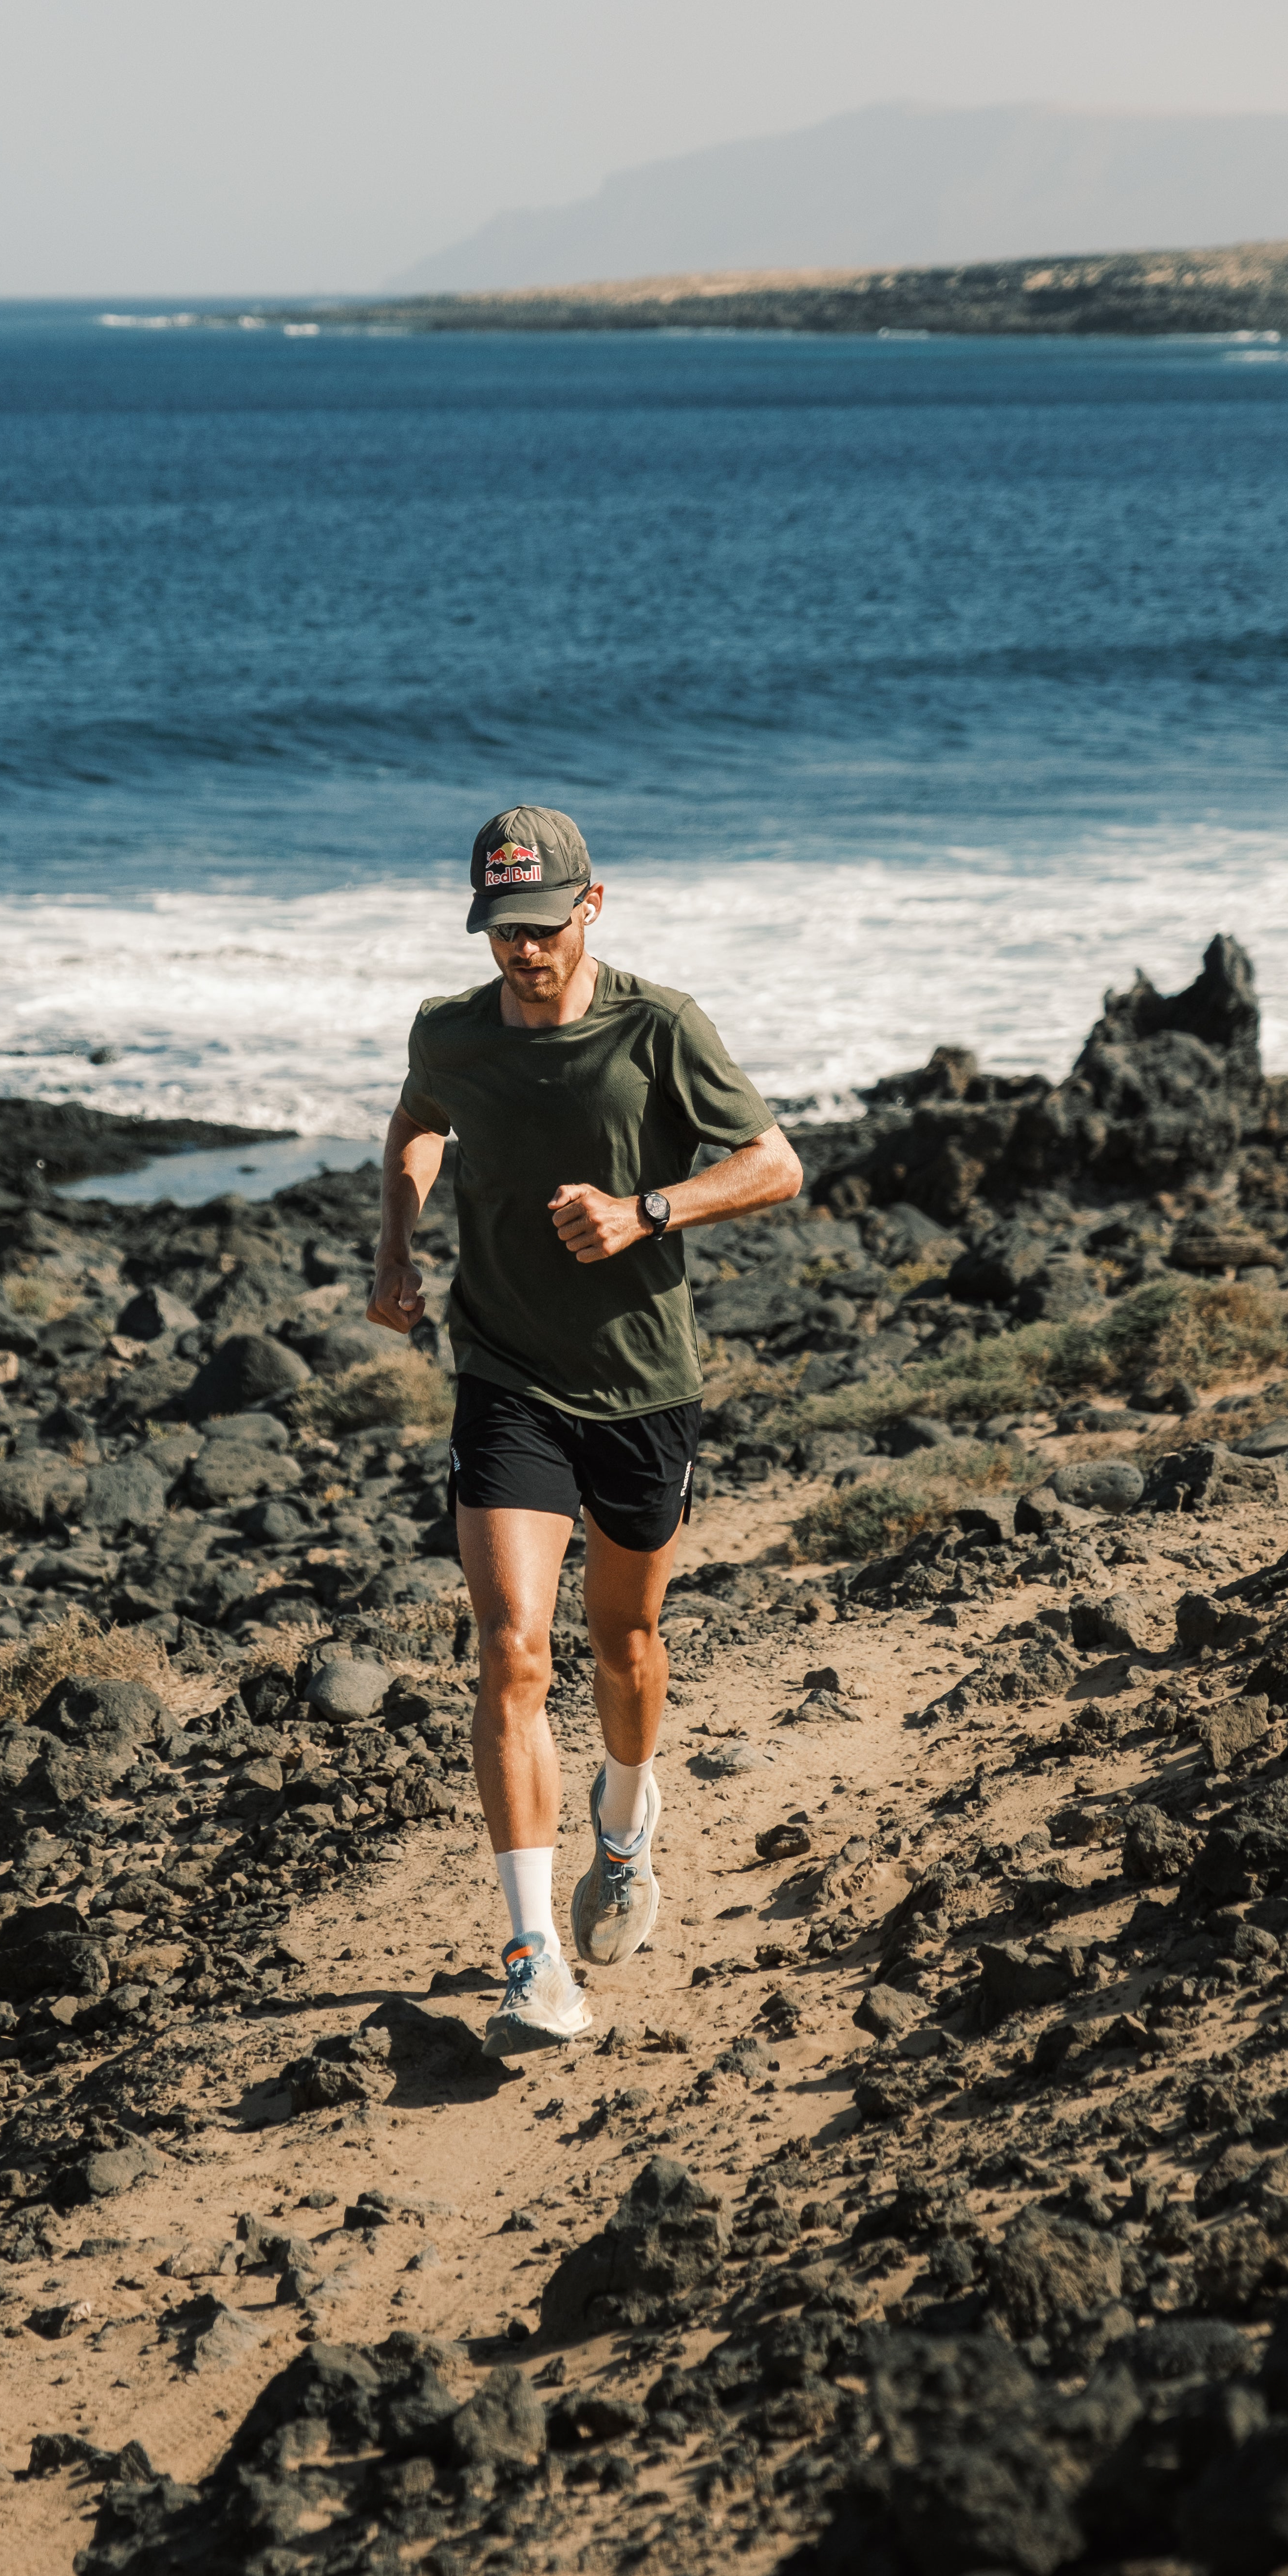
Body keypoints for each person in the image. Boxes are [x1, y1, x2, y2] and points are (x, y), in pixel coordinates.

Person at [366, 805, 803, 2056]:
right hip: (504, 1375)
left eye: (542, 926)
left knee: (627, 1644)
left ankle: (624, 1826)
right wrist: (396, 1245)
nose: (523, 950)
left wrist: (645, 1212)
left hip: (642, 1385)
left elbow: (774, 1164)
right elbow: (418, 1122)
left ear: (589, 907)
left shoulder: (658, 1028)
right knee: (512, 1653)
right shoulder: (451, 1030)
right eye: (501, 929)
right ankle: (532, 1960)